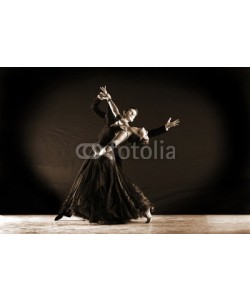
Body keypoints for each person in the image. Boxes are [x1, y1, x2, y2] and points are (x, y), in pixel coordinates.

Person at [91, 86, 180, 168]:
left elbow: (149, 134)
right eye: (131, 112)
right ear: (125, 112)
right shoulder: (125, 125)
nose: (146, 131)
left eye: (134, 115)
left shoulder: (128, 130)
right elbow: (115, 111)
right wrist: (106, 99)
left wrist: (99, 153)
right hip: (101, 148)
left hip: (107, 155)